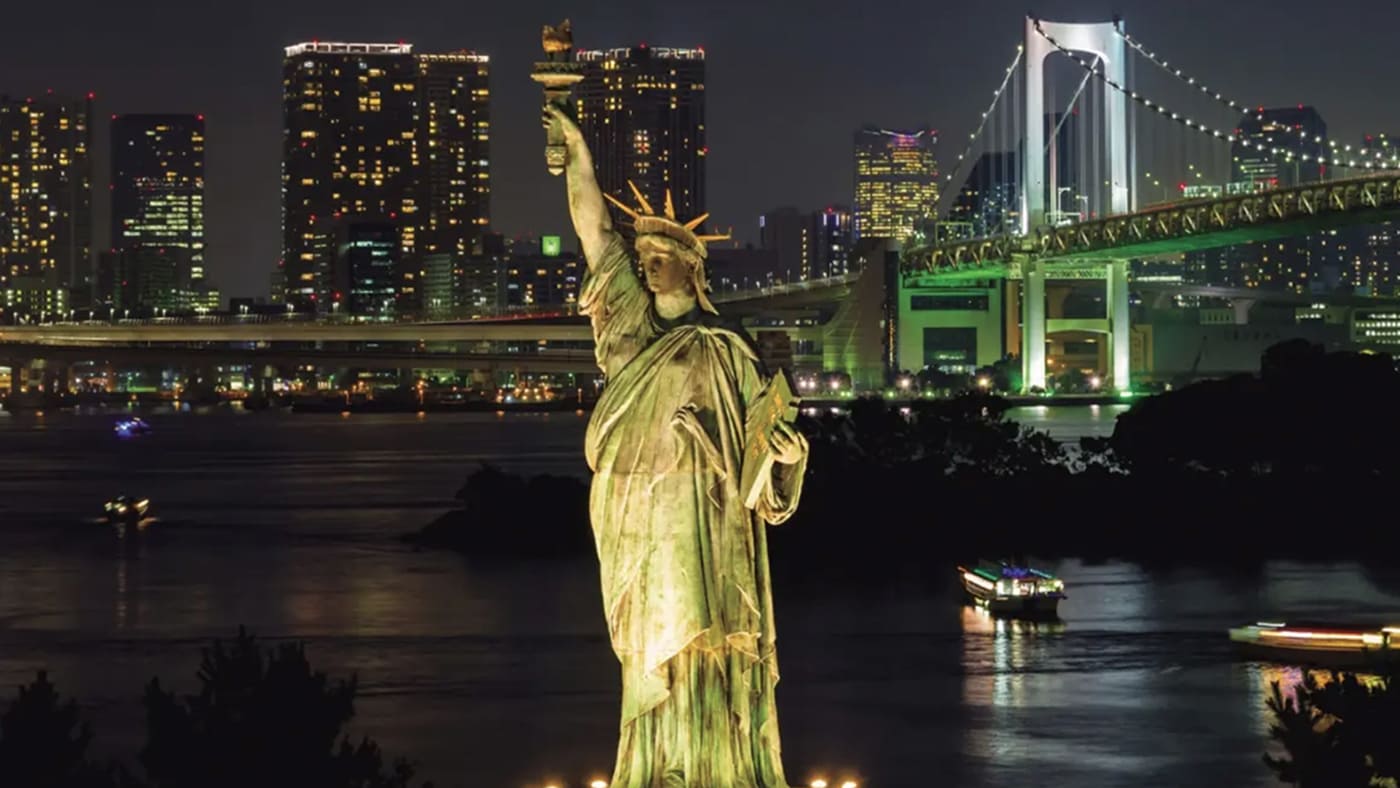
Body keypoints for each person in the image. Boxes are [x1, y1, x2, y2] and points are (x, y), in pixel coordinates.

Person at [544, 103, 809, 787]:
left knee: (713, 639)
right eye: (645, 259)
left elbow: (769, 446)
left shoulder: (729, 350)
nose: (649, 266)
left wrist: (787, 456)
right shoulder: (628, 329)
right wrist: (578, 154)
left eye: (663, 259)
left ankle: (721, 765)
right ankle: (662, 767)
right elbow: (595, 232)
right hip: (645, 522)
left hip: (716, 522)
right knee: (651, 649)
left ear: (694, 270)